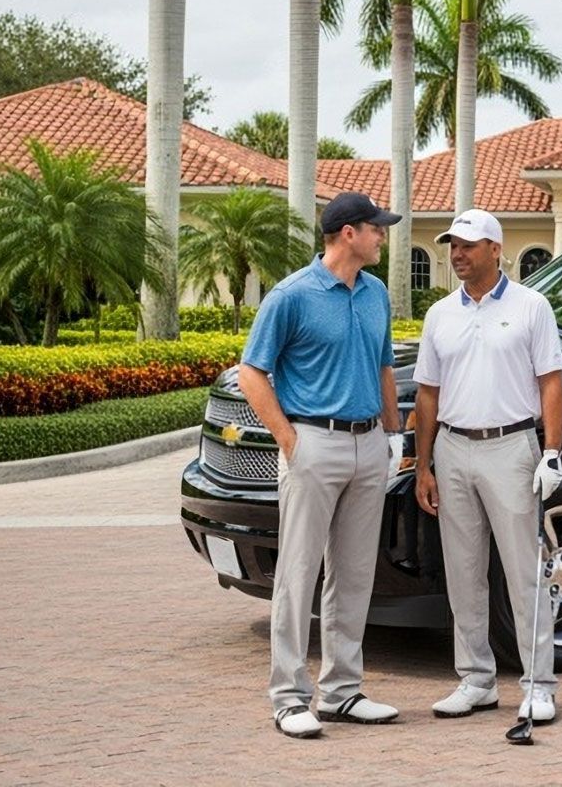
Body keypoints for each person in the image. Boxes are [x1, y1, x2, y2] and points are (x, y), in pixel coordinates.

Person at [237, 191, 406, 736]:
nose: (383, 235)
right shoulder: (292, 296)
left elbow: (384, 368)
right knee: (298, 573)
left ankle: (341, 692)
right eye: (377, 228)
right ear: (349, 233)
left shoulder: (376, 293)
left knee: (355, 574)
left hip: (368, 445)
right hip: (314, 443)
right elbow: (252, 372)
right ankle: (289, 697)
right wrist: (289, 441)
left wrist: (394, 436)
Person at [413, 209, 562, 724]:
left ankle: (539, 684)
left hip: (511, 448)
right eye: (452, 245)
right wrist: (424, 465)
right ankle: (476, 680)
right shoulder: (440, 315)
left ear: (495, 250)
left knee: (525, 572)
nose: (457, 254)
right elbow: (428, 395)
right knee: (462, 574)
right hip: (453, 451)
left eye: (468, 245)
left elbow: (551, 383)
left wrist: (551, 451)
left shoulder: (531, 306)